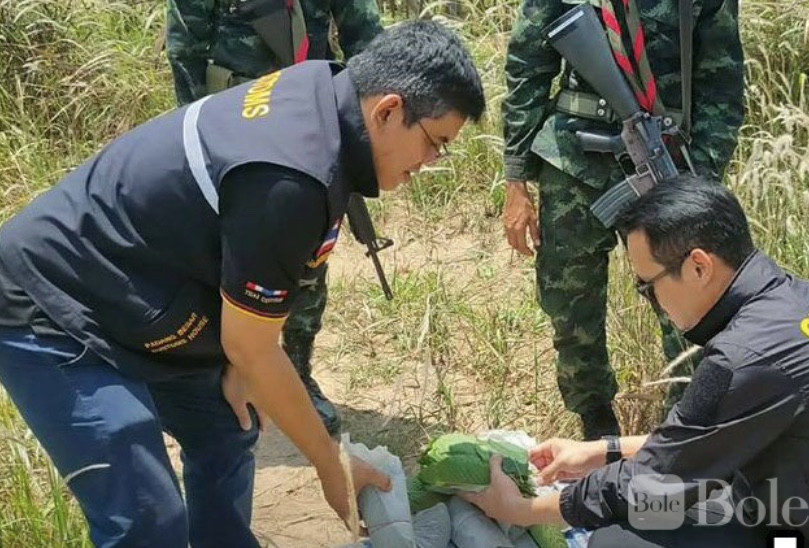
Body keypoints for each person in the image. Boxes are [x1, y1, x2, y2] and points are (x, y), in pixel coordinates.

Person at [0, 21, 485, 547]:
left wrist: (242, 361)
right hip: (53, 301)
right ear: (387, 110)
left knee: (227, 428)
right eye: (435, 143)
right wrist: (331, 463)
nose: (430, 164)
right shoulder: (291, 174)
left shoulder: (325, 94)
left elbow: (258, 293)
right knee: (148, 518)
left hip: (146, 292)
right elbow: (252, 345)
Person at [465, 178, 809, 547]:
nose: (649, 300)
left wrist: (520, 509)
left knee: (615, 540)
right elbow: (705, 439)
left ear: (698, 266)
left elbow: (653, 480)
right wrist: (602, 451)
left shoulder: (746, 357)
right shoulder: (794, 298)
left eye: (647, 285)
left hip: (806, 536)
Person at [502, 0, 745, 438]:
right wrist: (516, 180)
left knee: (691, 307)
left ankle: (685, 430)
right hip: (573, 157)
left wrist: (698, 182)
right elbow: (528, 63)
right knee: (570, 304)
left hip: (667, 160)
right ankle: (595, 423)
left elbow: (722, 84)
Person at [167, 0, 384, 435]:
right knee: (225, 260)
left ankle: (298, 373)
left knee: (310, 260)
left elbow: (366, 37)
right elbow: (184, 48)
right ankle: (224, 376)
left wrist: (360, 124)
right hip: (234, 126)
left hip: (310, 122)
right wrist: (199, 138)